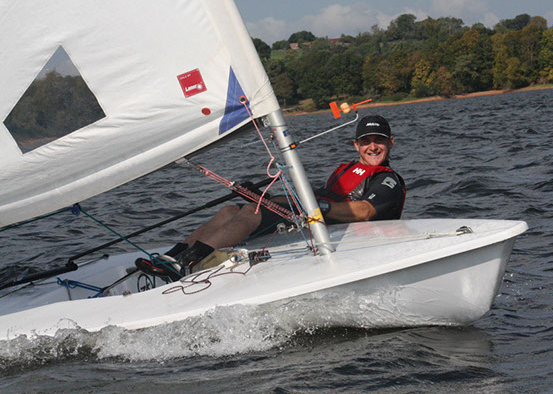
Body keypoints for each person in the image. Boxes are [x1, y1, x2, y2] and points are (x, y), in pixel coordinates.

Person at [136, 115, 405, 281]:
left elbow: (365, 211)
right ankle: (173, 257)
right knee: (232, 210)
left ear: (390, 143)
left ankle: (187, 262)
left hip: (349, 239)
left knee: (252, 213)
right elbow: (316, 197)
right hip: (318, 222)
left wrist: (313, 207)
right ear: (356, 145)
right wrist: (259, 195)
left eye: (379, 141)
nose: (373, 147)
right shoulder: (345, 169)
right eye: (366, 141)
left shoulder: (387, 179)